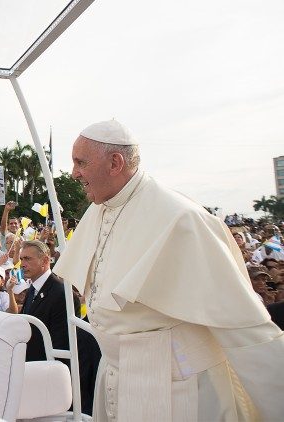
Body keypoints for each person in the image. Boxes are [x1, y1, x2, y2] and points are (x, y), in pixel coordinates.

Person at [55, 119, 284, 420]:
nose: (74, 173)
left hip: (176, 389)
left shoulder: (181, 218)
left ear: (115, 163)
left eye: (80, 162)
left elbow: (243, 324)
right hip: (114, 377)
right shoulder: (100, 209)